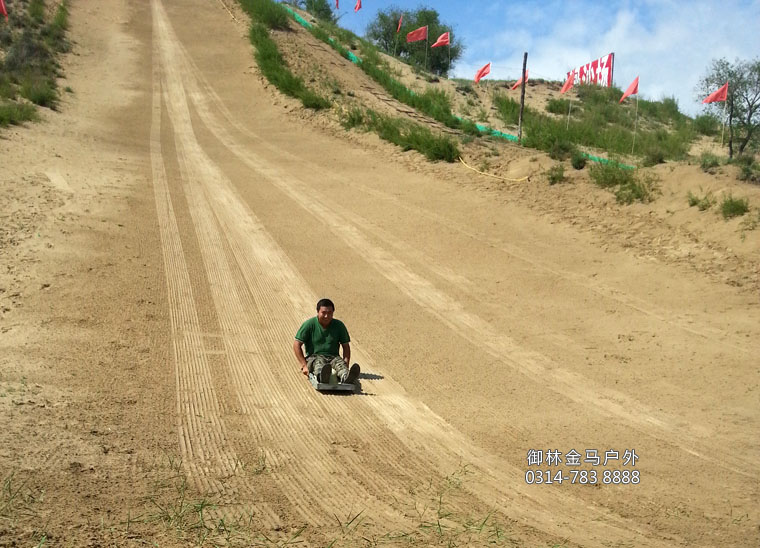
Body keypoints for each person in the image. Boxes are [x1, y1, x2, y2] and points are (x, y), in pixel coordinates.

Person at [293, 298, 360, 384]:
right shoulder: (309, 325)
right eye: (323, 313)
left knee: (340, 365)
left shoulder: (339, 325)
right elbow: (296, 345)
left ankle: (346, 377)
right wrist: (304, 365)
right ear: (318, 312)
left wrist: (346, 363)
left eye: (329, 313)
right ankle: (322, 376)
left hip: (333, 356)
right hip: (314, 356)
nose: (326, 316)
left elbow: (346, 346)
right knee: (318, 364)